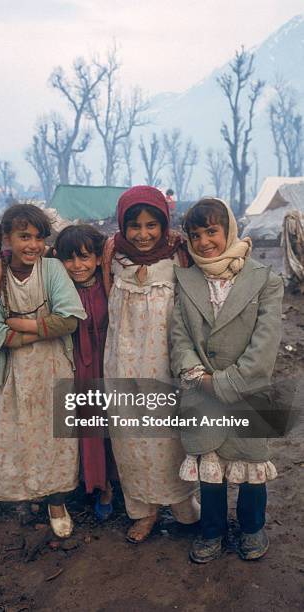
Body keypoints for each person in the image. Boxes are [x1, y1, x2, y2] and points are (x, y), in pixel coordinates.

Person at [0, 204, 87, 539]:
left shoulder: (53, 270)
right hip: (16, 373)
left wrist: (22, 323)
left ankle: (56, 499)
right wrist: (40, 328)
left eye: (38, 237)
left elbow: (70, 320)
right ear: (7, 237)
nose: (31, 245)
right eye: (23, 237)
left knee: (57, 436)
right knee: (8, 433)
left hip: (55, 368)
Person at [170, 197, 283, 563]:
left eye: (212, 231)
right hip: (199, 391)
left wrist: (222, 383)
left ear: (229, 229)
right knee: (210, 467)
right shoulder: (185, 280)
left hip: (247, 392)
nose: (204, 242)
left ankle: (252, 528)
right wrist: (196, 374)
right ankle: (212, 531)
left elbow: (265, 345)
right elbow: (179, 335)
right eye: (196, 234)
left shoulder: (264, 279)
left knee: (252, 467)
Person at [102, 185, 200, 543]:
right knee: (130, 438)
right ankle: (143, 512)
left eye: (151, 225)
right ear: (123, 226)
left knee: (170, 438)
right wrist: (1, 260)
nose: (143, 235)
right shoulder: (112, 252)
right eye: (135, 226)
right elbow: (57, 257)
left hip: (166, 364)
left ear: (163, 224)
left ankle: (183, 506)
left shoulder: (180, 254)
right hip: (122, 363)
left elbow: (220, 262)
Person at [52, 224, 116, 520]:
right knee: (84, 425)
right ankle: (89, 483)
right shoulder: (58, 286)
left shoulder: (109, 279)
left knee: (113, 425)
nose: (78, 266)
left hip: (109, 360)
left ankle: (111, 485)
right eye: (70, 259)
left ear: (99, 257)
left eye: (85, 257)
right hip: (77, 362)